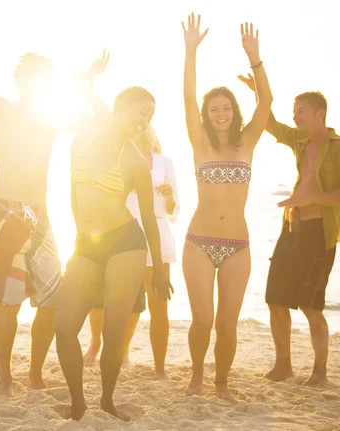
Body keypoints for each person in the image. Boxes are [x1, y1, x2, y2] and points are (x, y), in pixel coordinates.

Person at [0, 21, 110, 397]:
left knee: (52, 297)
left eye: (41, 77)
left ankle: (33, 372)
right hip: (5, 212)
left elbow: (103, 121)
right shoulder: (1, 109)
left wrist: (88, 85)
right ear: (19, 79)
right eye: (29, 75)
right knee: (9, 300)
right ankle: (4, 377)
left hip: (40, 214)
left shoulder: (51, 117)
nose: (34, 81)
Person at [55, 86, 174, 421]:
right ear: (121, 108)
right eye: (140, 111)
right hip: (87, 245)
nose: (144, 119)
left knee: (113, 330)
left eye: (149, 115)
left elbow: (149, 219)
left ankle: (107, 400)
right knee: (64, 326)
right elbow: (72, 192)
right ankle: (78, 403)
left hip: (126, 243)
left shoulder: (136, 161)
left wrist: (160, 271)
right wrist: (80, 239)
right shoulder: (80, 141)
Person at [238, 80, 340, 386]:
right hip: (291, 229)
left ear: (320, 114)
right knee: (275, 299)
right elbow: (270, 123)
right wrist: (260, 93)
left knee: (311, 305)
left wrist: (311, 199)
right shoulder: (300, 140)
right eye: (294, 112)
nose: (295, 117)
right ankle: (283, 366)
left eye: (301, 112)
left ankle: (320, 371)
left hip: (320, 234)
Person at [181, 13, 273, 400]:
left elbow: (266, 100)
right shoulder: (200, 143)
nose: (221, 114)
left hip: (238, 245)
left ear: (234, 112)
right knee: (202, 320)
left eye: (226, 108)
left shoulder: (247, 143)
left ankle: (220, 384)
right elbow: (188, 96)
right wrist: (190, 51)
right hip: (199, 241)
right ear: (207, 115)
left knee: (227, 323)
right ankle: (197, 377)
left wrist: (255, 57)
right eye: (214, 109)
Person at [83, 124, 180, 381]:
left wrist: (169, 197)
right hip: (120, 232)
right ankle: (96, 343)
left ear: (149, 131)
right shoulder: (116, 159)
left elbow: (173, 209)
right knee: (104, 297)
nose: (136, 131)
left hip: (155, 236)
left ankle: (159, 367)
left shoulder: (164, 162)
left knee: (159, 304)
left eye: (141, 127)